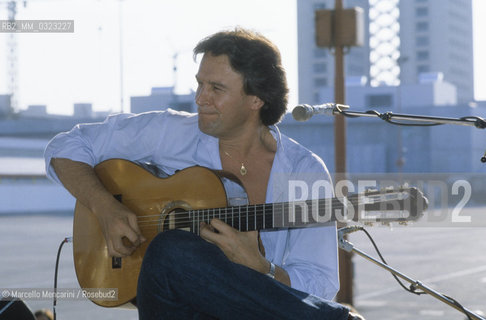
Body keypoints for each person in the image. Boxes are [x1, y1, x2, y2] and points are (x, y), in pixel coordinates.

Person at [44, 28, 362, 319]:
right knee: (169, 250)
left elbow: (320, 284)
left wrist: (261, 268)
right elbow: (66, 146)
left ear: (256, 98)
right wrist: (104, 206)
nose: (199, 98)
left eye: (215, 88)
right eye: (199, 83)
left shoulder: (303, 171)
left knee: (175, 251)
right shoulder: (170, 132)